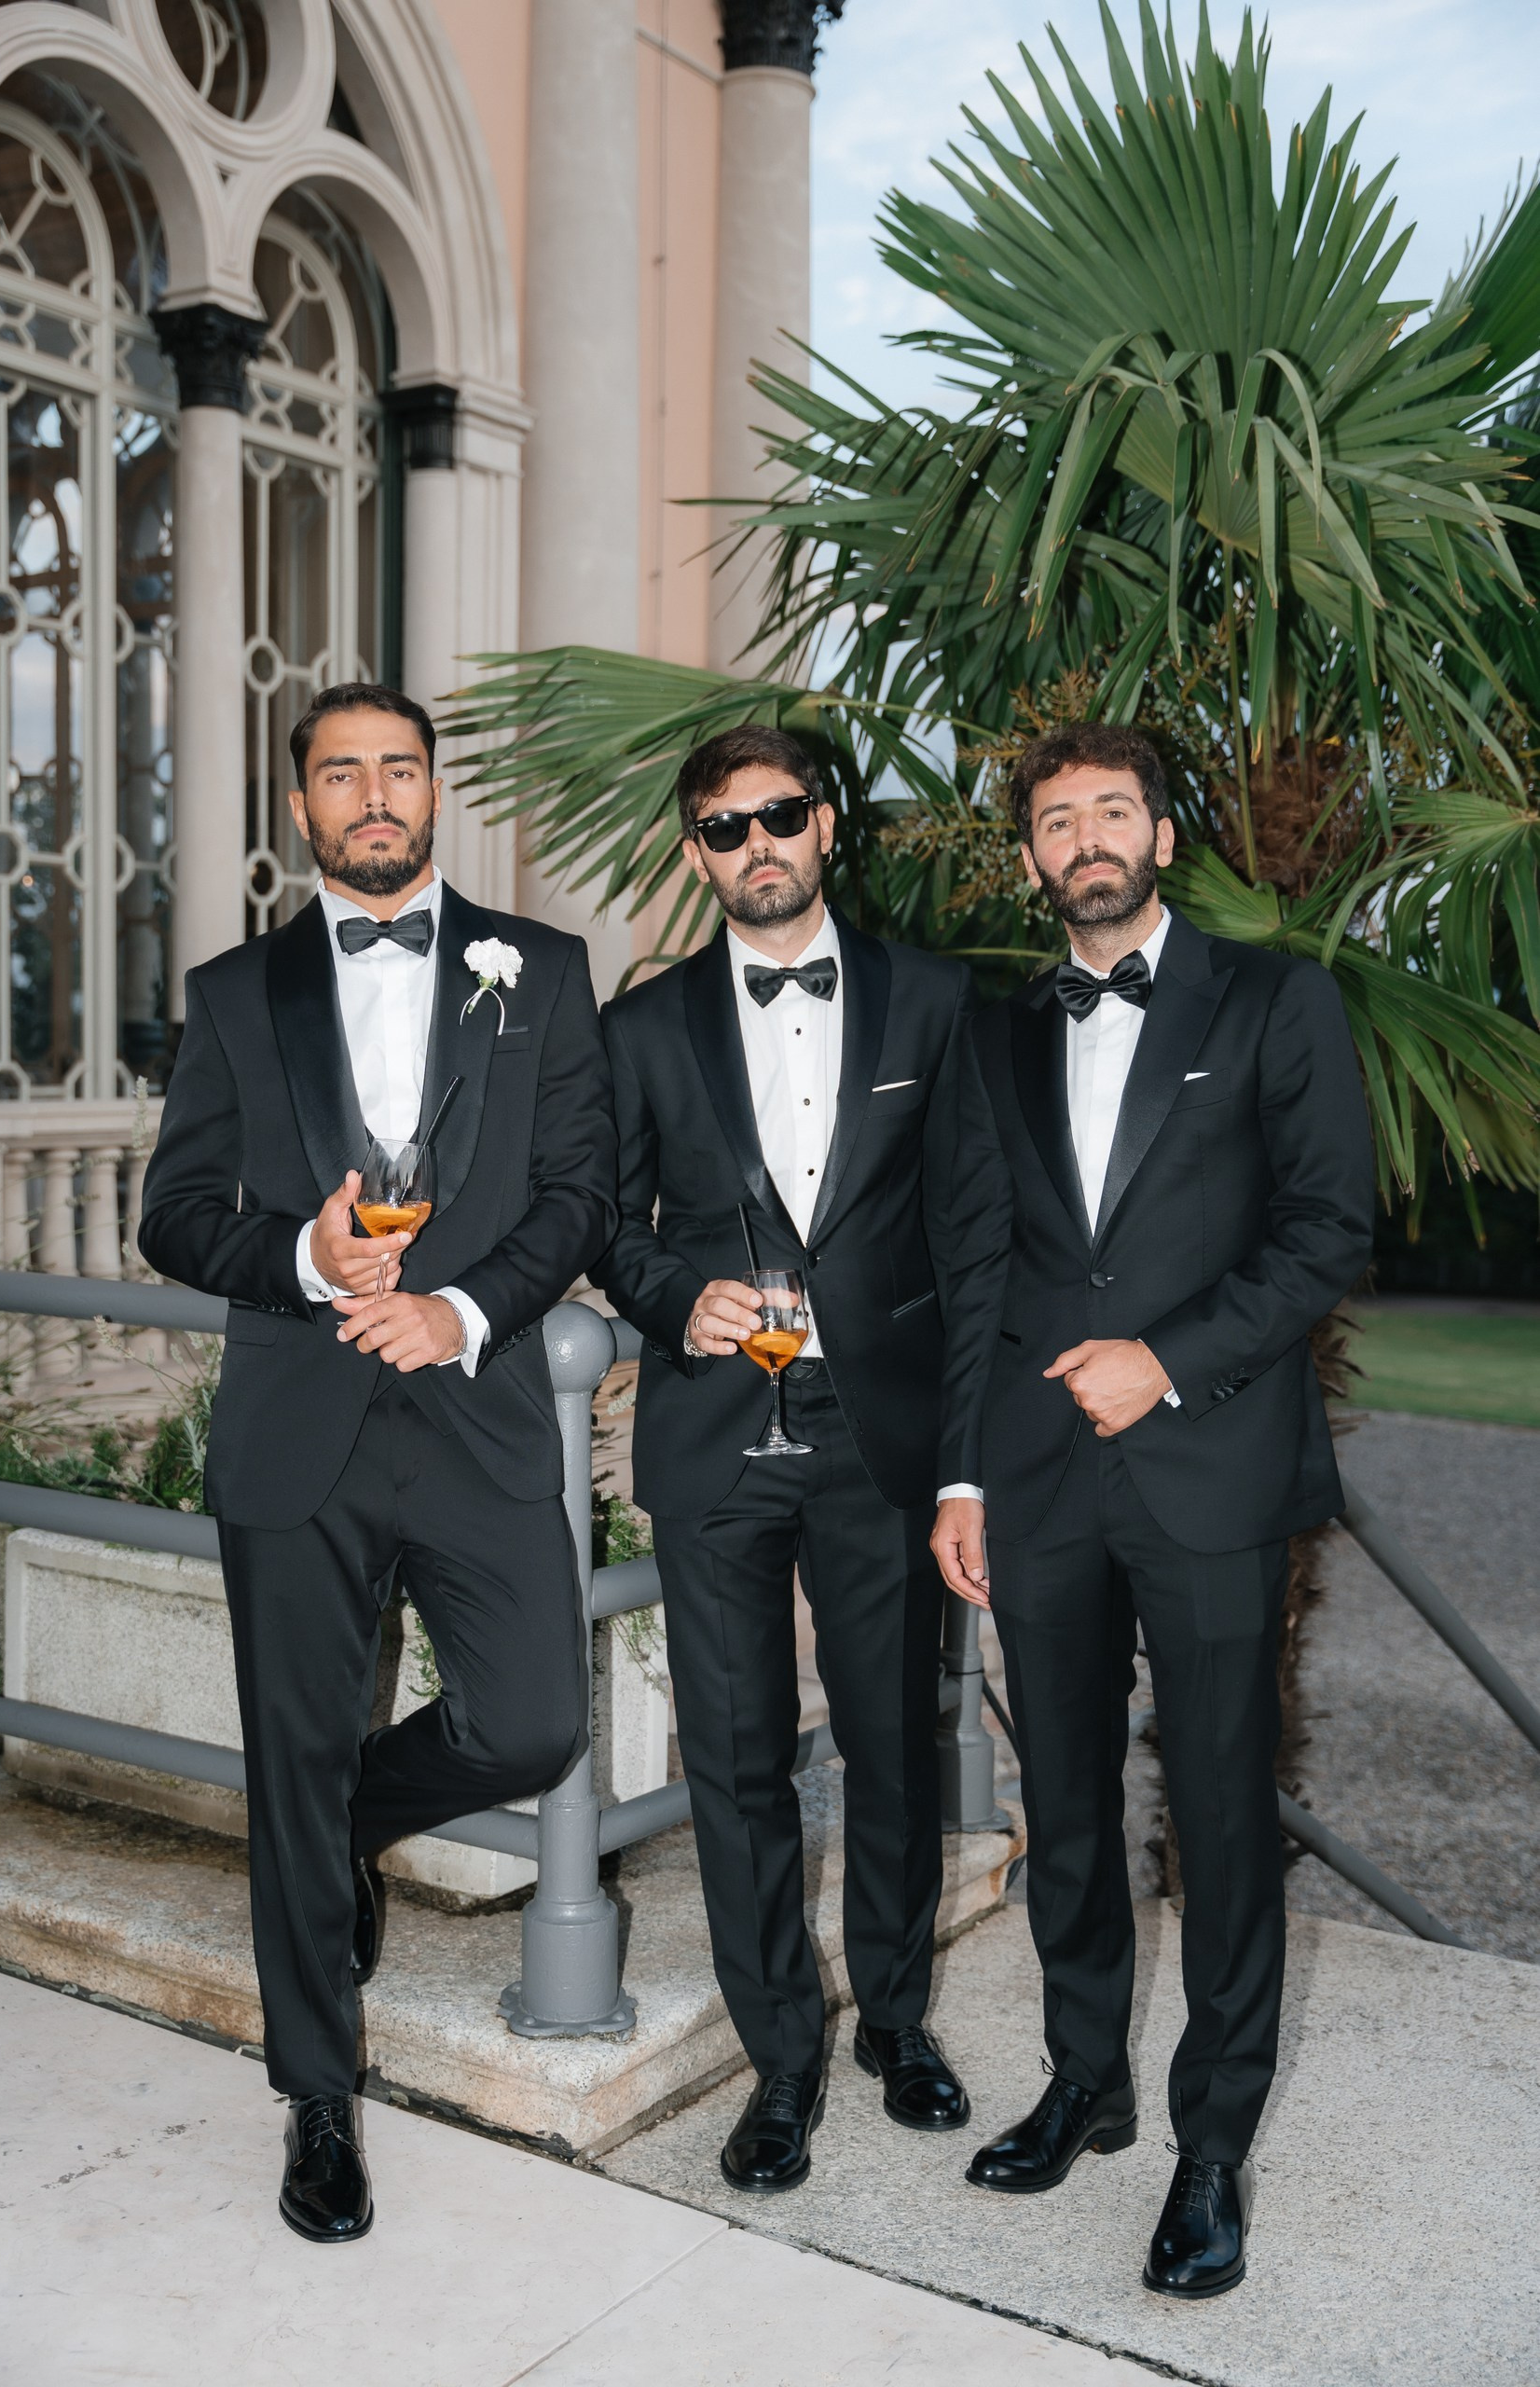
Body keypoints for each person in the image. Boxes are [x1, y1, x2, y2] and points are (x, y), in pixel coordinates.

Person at [138, 681, 615, 2243]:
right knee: (289, 1746)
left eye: (398, 768)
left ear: (432, 790)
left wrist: (459, 1312)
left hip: (476, 1413)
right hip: (299, 1429)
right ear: (303, 808)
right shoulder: (233, 992)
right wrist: (304, 1255)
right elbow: (175, 1215)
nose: (374, 795)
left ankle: (341, 1824)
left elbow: (579, 1193)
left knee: (533, 1720)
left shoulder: (540, 969)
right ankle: (317, 2101)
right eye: (340, 774)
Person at [931, 722, 1372, 2298]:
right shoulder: (997, 1032)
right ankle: (1086, 2081)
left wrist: (1166, 1362)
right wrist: (964, 1475)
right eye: (1058, 821)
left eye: (1112, 811)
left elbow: (1327, 1229)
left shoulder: (1274, 1000)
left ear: (1163, 837)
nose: (1087, 840)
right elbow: (978, 1269)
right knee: (1064, 1799)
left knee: (1224, 1814)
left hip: (1212, 1469)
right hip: (1039, 1480)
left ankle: (1212, 2144)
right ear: (1033, 857)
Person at [591, 724, 974, 2195]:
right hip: (715, 1431)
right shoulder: (641, 1027)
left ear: (828, 827)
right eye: (724, 825)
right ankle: (781, 2060)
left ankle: (897, 2021)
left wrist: (970, 1459)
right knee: (738, 1762)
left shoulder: (934, 1002)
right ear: (699, 855)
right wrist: (669, 1295)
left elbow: (974, 1233)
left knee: (892, 1742)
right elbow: (603, 1219)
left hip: (880, 1433)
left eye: (781, 813)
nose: (757, 842)